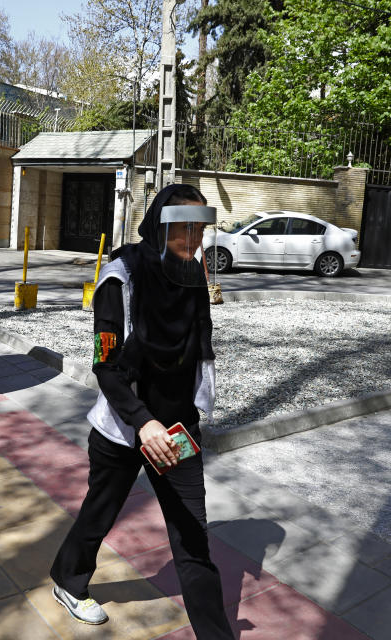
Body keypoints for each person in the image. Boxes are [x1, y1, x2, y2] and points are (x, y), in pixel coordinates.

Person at [49, 184, 233, 639]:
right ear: (158, 225)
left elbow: (195, 355)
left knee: (193, 539)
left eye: (198, 228)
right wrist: (142, 421)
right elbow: (106, 366)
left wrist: (185, 416)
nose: (191, 238)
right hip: (123, 427)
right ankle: (67, 579)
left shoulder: (190, 277)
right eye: (180, 228)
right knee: (101, 510)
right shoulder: (120, 279)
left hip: (176, 432)